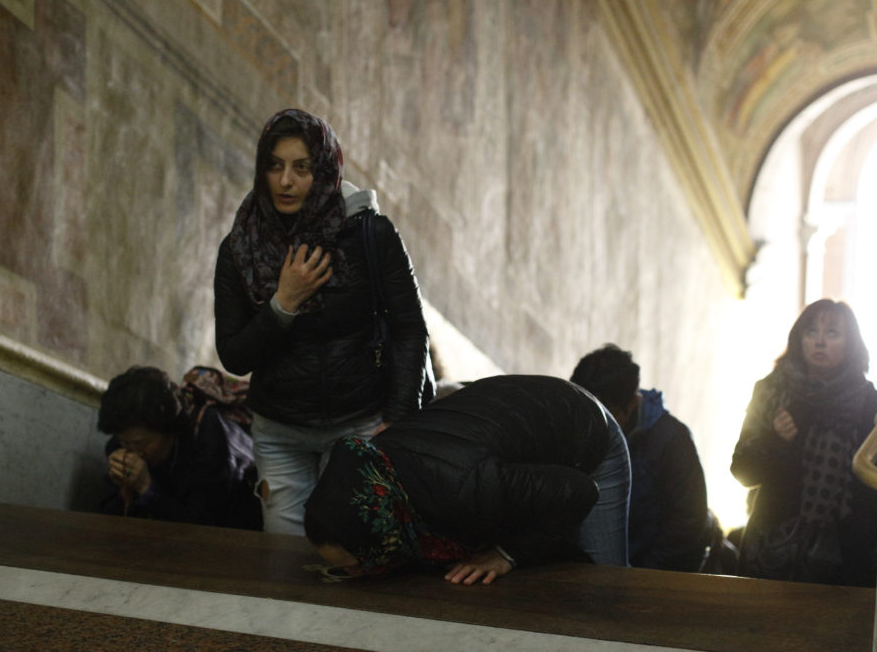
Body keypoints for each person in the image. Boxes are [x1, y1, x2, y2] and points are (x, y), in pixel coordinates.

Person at [214, 109, 431, 535]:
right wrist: (283, 303)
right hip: (279, 432)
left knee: (351, 549)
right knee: (285, 561)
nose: (286, 181)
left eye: (302, 167)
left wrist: (398, 417)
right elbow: (234, 356)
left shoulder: (371, 234)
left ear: (327, 168)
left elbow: (410, 327)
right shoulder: (240, 246)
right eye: (274, 166)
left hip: (360, 423)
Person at [304, 374, 632, 584]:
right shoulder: (374, 470)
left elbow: (580, 491)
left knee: (604, 585)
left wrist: (507, 554)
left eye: (357, 564)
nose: (350, 574)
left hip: (587, 432)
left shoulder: (466, 485)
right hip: (519, 418)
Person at [731, 299, 877, 587]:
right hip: (771, 547)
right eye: (811, 332)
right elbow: (742, 471)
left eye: (833, 333)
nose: (820, 342)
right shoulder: (771, 390)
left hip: (842, 555)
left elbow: (873, 493)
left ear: (850, 344)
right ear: (798, 339)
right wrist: (775, 440)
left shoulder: (869, 405)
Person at [571, 344, 711, 572]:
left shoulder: (672, 441)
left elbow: (688, 525)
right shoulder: (578, 427)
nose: (594, 423)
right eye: (586, 410)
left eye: (607, 414)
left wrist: (642, 578)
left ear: (632, 403)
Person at [97, 366, 262, 530]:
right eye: (125, 443)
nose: (133, 452)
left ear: (170, 430)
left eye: (142, 444)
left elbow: (202, 526)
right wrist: (124, 491)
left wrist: (146, 488)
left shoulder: (206, 438)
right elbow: (108, 520)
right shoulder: (120, 446)